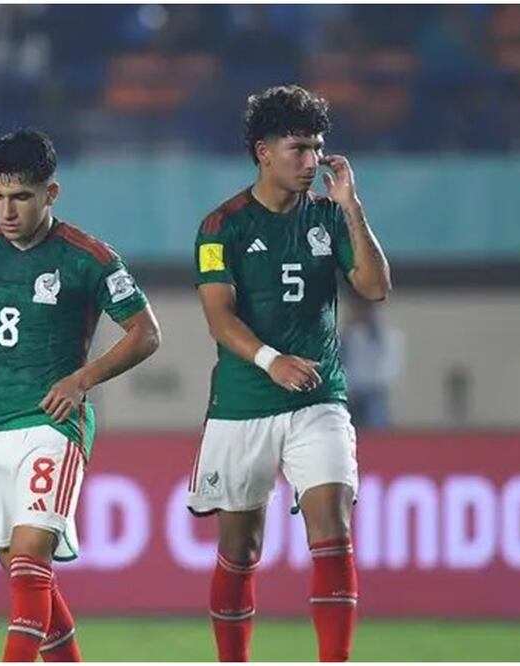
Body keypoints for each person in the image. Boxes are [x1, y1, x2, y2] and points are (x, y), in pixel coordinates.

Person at [0, 128, 161, 662]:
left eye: (21, 197)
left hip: (56, 426)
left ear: (50, 194)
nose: (7, 211)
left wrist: (83, 379)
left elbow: (146, 333)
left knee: (33, 561)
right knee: (24, 579)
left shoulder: (88, 257)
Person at [187, 85, 390, 662]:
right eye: (299, 148)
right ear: (263, 151)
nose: (311, 161)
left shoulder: (328, 217)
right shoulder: (220, 226)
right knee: (240, 547)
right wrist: (270, 360)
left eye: (318, 148)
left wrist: (352, 207)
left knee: (333, 528)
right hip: (244, 401)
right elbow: (218, 316)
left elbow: (375, 289)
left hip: (318, 398)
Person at [340, 294, 404, 430]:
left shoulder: (389, 337)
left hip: (372, 391)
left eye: (362, 310)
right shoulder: (345, 338)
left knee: (374, 401)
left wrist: (363, 383)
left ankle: (378, 437)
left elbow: (390, 371)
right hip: (349, 391)